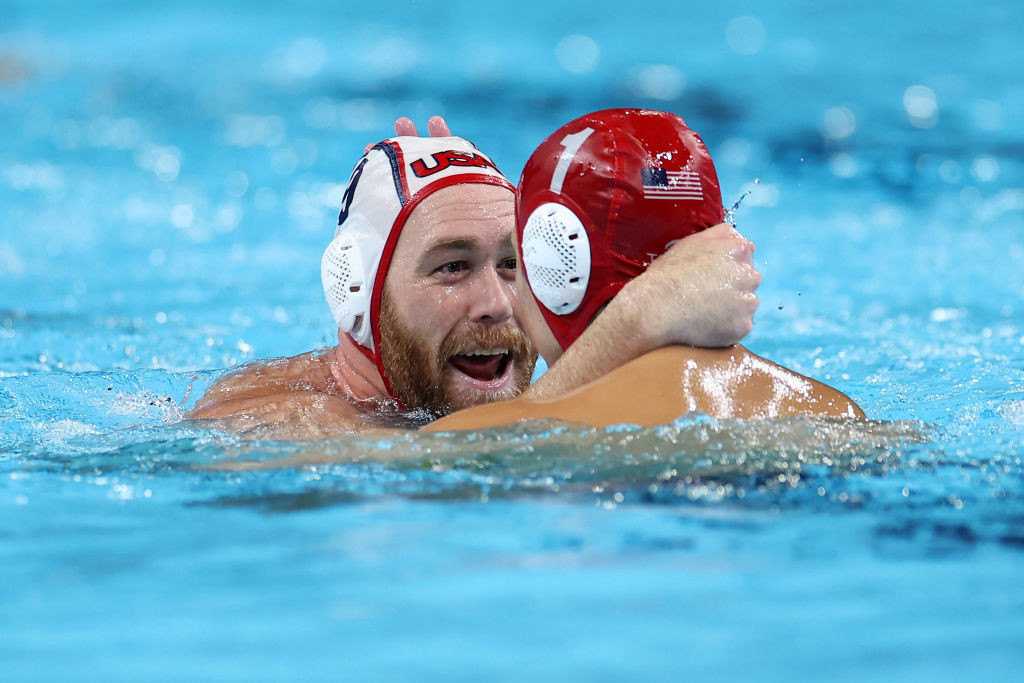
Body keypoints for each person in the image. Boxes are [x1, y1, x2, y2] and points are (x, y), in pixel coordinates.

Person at [188, 117, 762, 437]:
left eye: (512, 264)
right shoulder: (270, 417)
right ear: (355, 292)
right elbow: (462, 463)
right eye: (452, 267)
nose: (497, 302)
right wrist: (642, 313)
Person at [425, 109, 864, 432]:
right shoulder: (834, 413)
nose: (505, 299)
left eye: (514, 263)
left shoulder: (492, 438)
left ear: (554, 266)